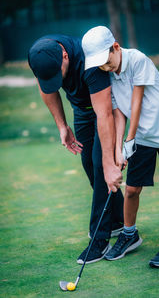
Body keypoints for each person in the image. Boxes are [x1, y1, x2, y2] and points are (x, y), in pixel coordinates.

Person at [82, 26, 159, 268]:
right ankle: (129, 234)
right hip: (142, 137)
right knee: (131, 189)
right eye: (99, 64)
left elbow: (136, 101)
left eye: (106, 60)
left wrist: (130, 140)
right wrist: (121, 146)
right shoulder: (108, 73)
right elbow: (119, 111)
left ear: (116, 47)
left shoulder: (138, 59)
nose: (104, 67)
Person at [28, 34, 124, 264]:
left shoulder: (88, 61)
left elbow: (104, 114)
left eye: (56, 74)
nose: (54, 80)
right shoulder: (39, 56)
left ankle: (99, 240)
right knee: (90, 165)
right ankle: (120, 222)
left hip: (104, 107)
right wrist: (62, 125)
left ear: (65, 56)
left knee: (102, 166)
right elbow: (46, 88)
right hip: (81, 110)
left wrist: (110, 162)